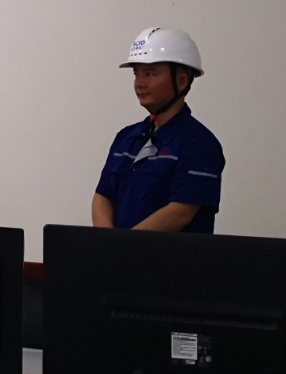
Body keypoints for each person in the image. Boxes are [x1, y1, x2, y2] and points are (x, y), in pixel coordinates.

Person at [93, 27, 224, 233]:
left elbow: (180, 213)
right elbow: (102, 197)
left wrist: (121, 247)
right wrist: (105, 243)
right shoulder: (126, 137)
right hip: (117, 253)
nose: (139, 83)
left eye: (150, 74)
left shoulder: (199, 144)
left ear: (181, 81)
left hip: (164, 255)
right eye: (136, 74)